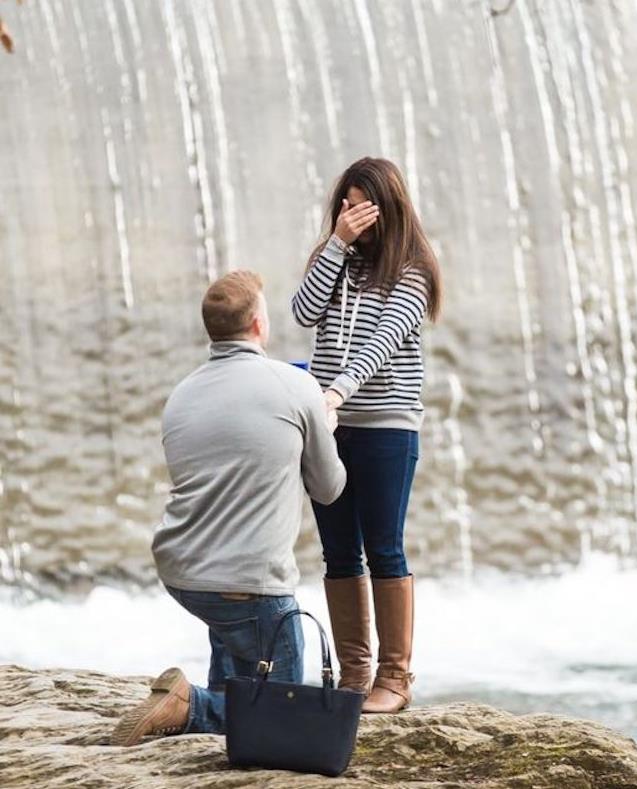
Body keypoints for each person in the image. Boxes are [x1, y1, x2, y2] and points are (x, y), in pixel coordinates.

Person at [110, 271, 347, 746]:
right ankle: (189, 704)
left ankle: (212, 693)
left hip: (185, 572)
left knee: (234, 631)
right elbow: (329, 488)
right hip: (250, 584)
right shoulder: (294, 386)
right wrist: (325, 426)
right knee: (281, 719)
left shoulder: (181, 395)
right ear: (259, 324)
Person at [290, 156, 442, 714]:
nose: (352, 215)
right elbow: (303, 312)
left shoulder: (414, 270)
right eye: (345, 206)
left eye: (362, 206)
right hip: (329, 427)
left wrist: (334, 392)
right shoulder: (335, 260)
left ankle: (395, 679)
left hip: (384, 426)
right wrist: (335, 246)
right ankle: (355, 674)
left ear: (388, 207)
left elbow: (382, 341)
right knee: (338, 553)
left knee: (383, 547)